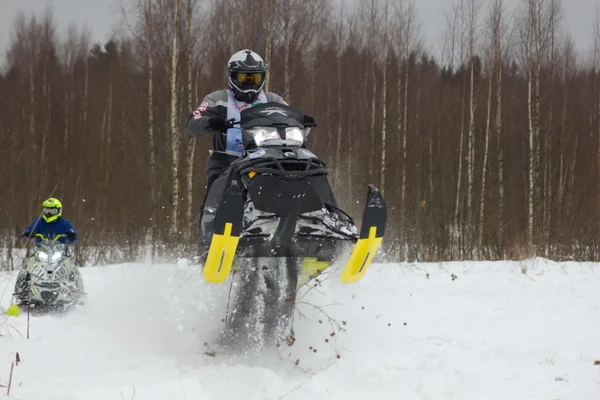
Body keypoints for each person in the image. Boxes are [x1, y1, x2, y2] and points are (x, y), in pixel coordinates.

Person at [186, 49, 288, 211]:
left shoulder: (272, 100)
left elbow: (290, 116)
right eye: (244, 78)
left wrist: (301, 122)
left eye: (254, 78)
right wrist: (211, 122)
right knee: (214, 201)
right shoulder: (218, 99)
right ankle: (210, 229)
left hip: (267, 160)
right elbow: (193, 122)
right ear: (232, 77)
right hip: (225, 161)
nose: (249, 84)